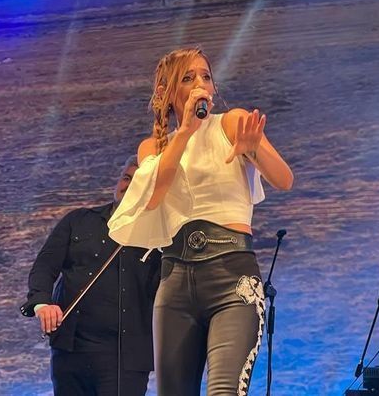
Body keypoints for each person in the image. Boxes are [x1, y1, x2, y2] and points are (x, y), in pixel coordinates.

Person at [108, 47, 293, 396]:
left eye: (206, 76)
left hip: (232, 278)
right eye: (189, 78)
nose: (200, 84)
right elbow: (154, 194)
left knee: (224, 391)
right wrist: (186, 130)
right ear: (166, 92)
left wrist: (256, 150)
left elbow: (284, 179)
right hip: (175, 282)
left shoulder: (232, 122)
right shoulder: (153, 148)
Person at [21, 158, 160, 396]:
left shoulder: (160, 239)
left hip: (125, 360)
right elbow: (45, 265)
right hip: (70, 351)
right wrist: (42, 304)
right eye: (126, 178)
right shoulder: (78, 220)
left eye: (138, 181)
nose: (128, 185)